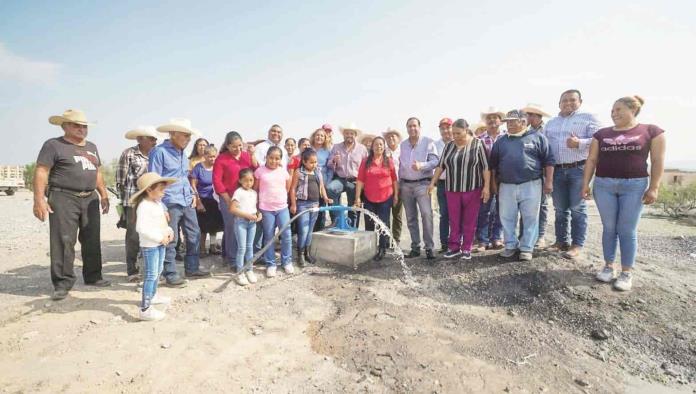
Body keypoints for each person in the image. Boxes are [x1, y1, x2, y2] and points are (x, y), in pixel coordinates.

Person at [582, 96, 665, 291]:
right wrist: (585, 183)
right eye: (612, 110)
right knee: (609, 227)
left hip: (634, 186)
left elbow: (658, 160)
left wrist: (654, 187)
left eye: (618, 109)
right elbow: (592, 160)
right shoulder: (601, 134)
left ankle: (626, 272)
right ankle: (609, 266)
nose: (614, 113)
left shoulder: (651, 131)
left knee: (627, 229)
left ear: (633, 110)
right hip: (604, 185)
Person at [33, 109, 111, 300]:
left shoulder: (92, 147)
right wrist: (38, 200)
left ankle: (93, 276)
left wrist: (103, 194)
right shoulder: (53, 145)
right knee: (64, 241)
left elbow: (97, 172)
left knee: (92, 239)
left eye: (84, 126)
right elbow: (42, 171)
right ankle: (62, 283)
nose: (81, 129)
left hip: (90, 197)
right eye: (76, 125)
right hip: (63, 197)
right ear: (64, 126)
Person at [149, 118, 210, 286]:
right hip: (169, 201)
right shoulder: (159, 152)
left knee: (194, 234)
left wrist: (192, 195)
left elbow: (184, 178)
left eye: (189, 136)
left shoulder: (183, 154)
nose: (188, 139)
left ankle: (192, 268)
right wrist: (160, 206)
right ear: (173, 134)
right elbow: (154, 180)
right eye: (185, 135)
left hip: (186, 200)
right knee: (171, 238)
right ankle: (170, 274)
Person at [490, 110, 554, 261]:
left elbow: (549, 161)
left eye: (513, 121)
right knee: (507, 217)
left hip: (531, 184)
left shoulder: (538, 138)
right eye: (508, 121)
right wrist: (494, 185)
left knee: (531, 217)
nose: (509, 124)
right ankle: (510, 245)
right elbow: (492, 166)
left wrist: (549, 182)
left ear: (523, 122)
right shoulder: (501, 141)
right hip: (506, 186)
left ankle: (526, 248)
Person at [545, 89, 602, 259]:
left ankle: (577, 245)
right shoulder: (551, 123)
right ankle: (561, 241)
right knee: (560, 208)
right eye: (564, 100)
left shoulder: (589, 118)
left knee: (578, 208)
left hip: (579, 169)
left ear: (580, 101)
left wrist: (580, 143)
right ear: (559, 103)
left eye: (572, 100)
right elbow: (544, 144)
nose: (568, 103)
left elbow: (600, 139)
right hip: (557, 170)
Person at [429, 119, 490, 260]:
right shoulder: (449, 145)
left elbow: (486, 167)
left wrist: (486, 187)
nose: (454, 136)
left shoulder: (478, 144)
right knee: (454, 220)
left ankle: (466, 248)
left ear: (466, 130)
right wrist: (433, 182)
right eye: (453, 133)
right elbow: (440, 165)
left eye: (458, 133)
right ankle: (454, 247)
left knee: (469, 220)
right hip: (452, 190)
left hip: (472, 189)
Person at [130, 172, 176, 321]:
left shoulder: (157, 204)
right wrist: (159, 238)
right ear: (149, 190)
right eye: (161, 189)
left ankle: (154, 295)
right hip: (151, 246)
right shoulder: (144, 206)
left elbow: (162, 223)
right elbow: (141, 228)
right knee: (151, 275)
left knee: (158, 271)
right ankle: (145, 308)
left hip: (160, 243)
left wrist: (169, 231)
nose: (164, 192)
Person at [116, 125, 159, 282]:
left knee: (151, 235)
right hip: (133, 201)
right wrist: (123, 205)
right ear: (141, 139)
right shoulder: (129, 154)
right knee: (133, 235)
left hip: (151, 201)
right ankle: (132, 270)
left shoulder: (156, 154)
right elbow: (120, 180)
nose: (155, 141)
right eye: (152, 139)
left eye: (155, 139)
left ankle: (150, 270)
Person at [212, 131, 258, 270]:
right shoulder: (221, 159)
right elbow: (217, 181)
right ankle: (232, 259)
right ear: (227, 146)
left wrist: (252, 154)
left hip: (244, 198)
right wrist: (227, 199)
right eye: (234, 147)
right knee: (232, 227)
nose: (237, 149)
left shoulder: (245, 156)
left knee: (239, 227)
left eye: (240, 146)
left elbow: (255, 169)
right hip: (228, 197)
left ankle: (233, 255)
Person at [398, 117, 439, 260]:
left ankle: (429, 248)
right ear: (407, 128)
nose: (412, 128)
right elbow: (400, 166)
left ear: (419, 127)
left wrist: (422, 165)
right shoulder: (403, 145)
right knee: (410, 218)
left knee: (427, 214)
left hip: (422, 184)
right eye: (409, 126)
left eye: (414, 126)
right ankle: (415, 247)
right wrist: (399, 184)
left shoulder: (428, 142)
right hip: (406, 185)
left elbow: (436, 161)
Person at [355, 137, 398, 261]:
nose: (378, 146)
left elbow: (394, 179)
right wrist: (358, 197)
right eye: (376, 144)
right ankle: (370, 248)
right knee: (369, 224)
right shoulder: (365, 161)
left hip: (386, 197)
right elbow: (360, 180)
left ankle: (382, 248)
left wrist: (395, 195)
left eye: (381, 144)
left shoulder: (388, 161)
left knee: (383, 224)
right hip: (369, 197)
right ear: (372, 147)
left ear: (384, 147)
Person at [290, 148, 332, 266]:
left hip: (315, 204)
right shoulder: (299, 172)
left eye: (316, 162)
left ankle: (307, 253)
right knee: (303, 230)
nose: (314, 164)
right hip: (302, 205)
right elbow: (293, 189)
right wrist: (293, 204)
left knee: (309, 230)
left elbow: (322, 187)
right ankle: (300, 255)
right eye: (312, 162)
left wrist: (326, 198)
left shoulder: (318, 171)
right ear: (304, 161)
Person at [255, 146, 293, 277]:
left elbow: (287, 187)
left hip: (282, 208)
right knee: (269, 236)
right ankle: (270, 264)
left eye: (277, 158)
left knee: (286, 235)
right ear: (266, 157)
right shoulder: (259, 171)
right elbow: (255, 189)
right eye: (271, 158)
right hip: (266, 209)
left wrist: (279, 200)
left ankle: (286, 261)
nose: (273, 161)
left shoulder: (283, 172)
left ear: (280, 160)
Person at [520, 104, 552, 248]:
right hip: (527, 175)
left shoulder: (547, 131)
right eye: (527, 115)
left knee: (542, 205)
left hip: (543, 172)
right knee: (525, 206)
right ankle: (524, 236)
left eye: (531, 115)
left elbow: (549, 154)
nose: (528, 117)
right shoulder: (522, 131)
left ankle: (540, 236)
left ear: (538, 117)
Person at [475, 107, 506, 252]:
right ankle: (482, 240)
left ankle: (496, 238)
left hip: (504, 178)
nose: (492, 120)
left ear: (500, 120)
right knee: (484, 210)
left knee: (501, 209)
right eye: (489, 118)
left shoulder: (507, 137)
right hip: (484, 179)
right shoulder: (479, 140)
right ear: (485, 121)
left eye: (495, 117)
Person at [327, 123, 368, 227]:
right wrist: (333, 161)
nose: (349, 135)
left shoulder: (362, 149)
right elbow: (329, 164)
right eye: (347, 133)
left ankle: (353, 227)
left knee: (354, 205)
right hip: (340, 179)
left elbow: (366, 167)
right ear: (343, 135)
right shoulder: (336, 147)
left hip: (355, 181)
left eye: (351, 133)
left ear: (355, 135)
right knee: (330, 189)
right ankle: (337, 219)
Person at [229, 168, 261, 286]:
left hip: (252, 223)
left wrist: (258, 214)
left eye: (251, 180)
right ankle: (240, 272)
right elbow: (232, 209)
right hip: (241, 223)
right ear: (240, 181)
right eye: (246, 180)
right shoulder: (238, 192)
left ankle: (249, 270)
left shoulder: (254, 193)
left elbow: (253, 208)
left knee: (249, 247)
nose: (249, 183)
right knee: (242, 248)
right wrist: (248, 215)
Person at [190, 145, 224, 255]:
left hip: (215, 199)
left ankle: (213, 246)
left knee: (215, 225)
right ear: (204, 156)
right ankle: (202, 248)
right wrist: (198, 201)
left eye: (214, 157)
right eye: (210, 157)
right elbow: (193, 185)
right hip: (203, 200)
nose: (212, 159)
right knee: (203, 226)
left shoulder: (218, 166)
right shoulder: (198, 168)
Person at [434, 117, 454, 253]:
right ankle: (444, 243)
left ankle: (456, 241)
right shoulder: (435, 145)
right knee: (444, 213)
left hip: (457, 183)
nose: (445, 130)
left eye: (448, 127)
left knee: (457, 213)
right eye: (442, 128)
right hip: (441, 183)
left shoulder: (458, 142)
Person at [310, 127, 333, 230]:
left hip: (323, 181)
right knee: (311, 208)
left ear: (325, 138)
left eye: (322, 136)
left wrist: (327, 183)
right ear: (314, 136)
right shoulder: (308, 149)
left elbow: (330, 169)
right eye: (317, 135)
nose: (319, 137)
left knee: (322, 208)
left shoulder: (327, 151)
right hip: (310, 181)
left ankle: (319, 231)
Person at [383, 128, 404, 247]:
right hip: (386, 186)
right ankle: (385, 239)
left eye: (393, 136)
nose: (391, 138)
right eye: (389, 136)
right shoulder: (383, 151)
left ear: (398, 138)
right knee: (385, 213)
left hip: (400, 184)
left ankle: (396, 240)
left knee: (397, 214)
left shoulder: (403, 150)